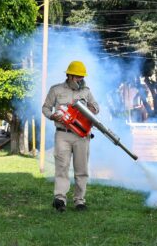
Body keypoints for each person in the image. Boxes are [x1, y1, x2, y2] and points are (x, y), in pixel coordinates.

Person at [42, 61, 99, 212]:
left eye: (82, 76)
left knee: (81, 169)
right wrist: (53, 116)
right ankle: (60, 199)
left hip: (82, 136)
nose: (80, 79)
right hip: (63, 135)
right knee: (62, 167)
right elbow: (45, 108)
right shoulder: (56, 90)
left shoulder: (86, 91)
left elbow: (96, 107)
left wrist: (92, 109)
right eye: (78, 76)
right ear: (69, 75)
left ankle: (79, 201)